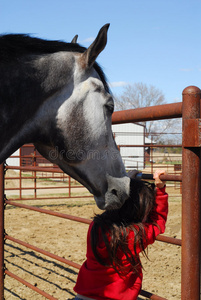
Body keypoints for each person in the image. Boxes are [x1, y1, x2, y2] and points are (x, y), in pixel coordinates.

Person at [74, 170, 168, 300]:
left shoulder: (95, 227)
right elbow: (158, 221)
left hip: (84, 295)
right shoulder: (134, 235)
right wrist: (160, 189)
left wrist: (125, 182)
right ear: (138, 210)